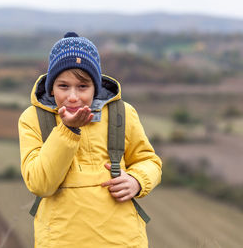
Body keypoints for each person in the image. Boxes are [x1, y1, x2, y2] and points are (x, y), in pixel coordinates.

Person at [18, 32, 162, 248]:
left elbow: (150, 161)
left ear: (96, 87)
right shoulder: (33, 119)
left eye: (83, 86)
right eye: (63, 86)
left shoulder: (121, 113)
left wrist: (137, 180)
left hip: (122, 240)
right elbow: (40, 184)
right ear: (51, 86)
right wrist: (67, 130)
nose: (73, 96)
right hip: (61, 241)